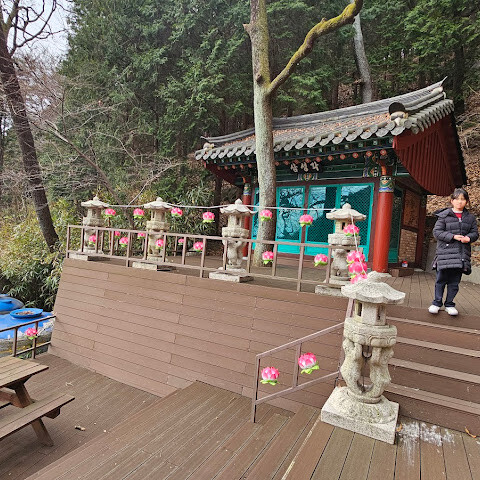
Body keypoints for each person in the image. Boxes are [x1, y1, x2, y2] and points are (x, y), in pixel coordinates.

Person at [429, 188, 478, 315]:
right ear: (452, 201)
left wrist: (469, 238)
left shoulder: (470, 218)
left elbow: (474, 233)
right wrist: (453, 236)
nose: (459, 202)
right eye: (457, 199)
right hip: (445, 254)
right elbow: (437, 232)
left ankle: (449, 304)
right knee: (440, 280)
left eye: (463, 199)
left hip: (461, 255)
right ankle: (436, 303)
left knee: (454, 282)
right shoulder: (444, 216)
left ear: (466, 201)